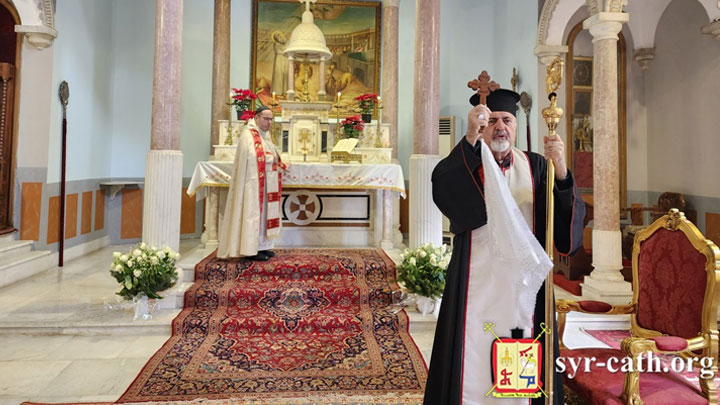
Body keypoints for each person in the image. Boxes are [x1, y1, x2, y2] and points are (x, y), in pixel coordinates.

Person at [424, 89, 585, 405]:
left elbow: (562, 222)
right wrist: (470, 136)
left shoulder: (536, 166)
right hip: (476, 278)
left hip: (523, 285)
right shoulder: (469, 161)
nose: (500, 127)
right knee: (472, 349)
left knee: (519, 344)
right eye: (493, 121)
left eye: (507, 120)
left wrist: (561, 168)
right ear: (483, 126)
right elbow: (443, 185)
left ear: (515, 126)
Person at [218, 106, 285, 261]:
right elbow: (252, 155)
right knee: (253, 214)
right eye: (266, 119)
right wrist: (271, 158)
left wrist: (277, 159)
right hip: (252, 183)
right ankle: (250, 249)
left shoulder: (265, 135)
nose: (269, 122)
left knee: (265, 214)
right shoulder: (248, 134)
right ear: (256, 117)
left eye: (271, 119)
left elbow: (271, 152)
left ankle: (263, 246)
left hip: (266, 181)